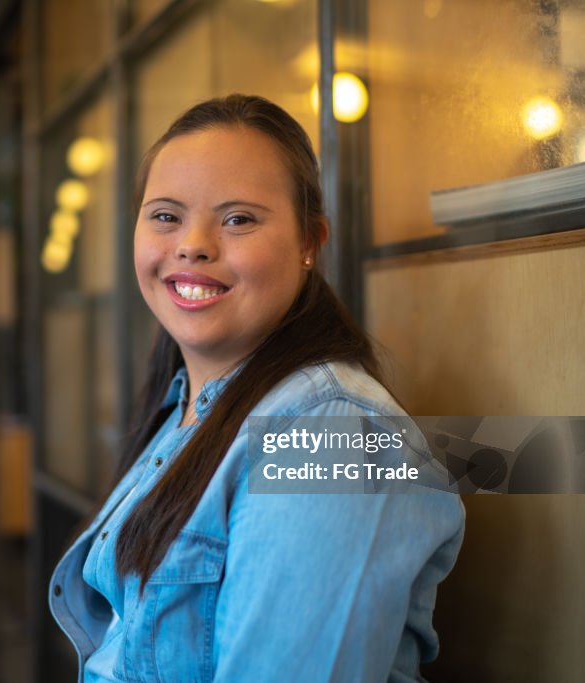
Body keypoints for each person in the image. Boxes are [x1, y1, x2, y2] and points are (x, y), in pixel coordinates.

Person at [48, 94, 465, 682]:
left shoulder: (330, 435)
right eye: (166, 215)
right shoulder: (185, 405)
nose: (193, 244)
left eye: (238, 219)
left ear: (308, 245)